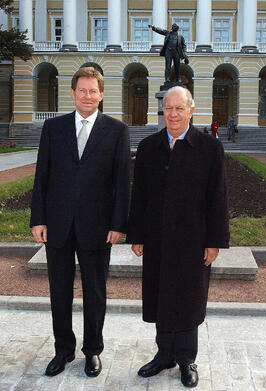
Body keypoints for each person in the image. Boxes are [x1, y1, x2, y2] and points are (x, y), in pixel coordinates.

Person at [30, 67, 130, 378]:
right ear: (72, 93)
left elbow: (122, 182)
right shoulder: (53, 128)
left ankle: (93, 351)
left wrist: (118, 224)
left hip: (98, 228)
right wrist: (38, 219)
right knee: (59, 290)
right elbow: (42, 177)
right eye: (82, 90)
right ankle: (63, 350)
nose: (87, 96)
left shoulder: (116, 130)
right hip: (57, 224)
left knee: (95, 291)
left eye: (93, 91)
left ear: (102, 94)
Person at [127, 86, 229, 388]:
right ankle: (164, 356)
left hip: (193, 240)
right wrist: (137, 234)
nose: (172, 114)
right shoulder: (148, 147)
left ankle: (186, 358)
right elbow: (140, 195)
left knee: (187, 298)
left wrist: (214, 241)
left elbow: (218, 198)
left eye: (179, 108)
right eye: (168, 109)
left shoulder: (209, 149)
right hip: (157, 238)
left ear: (191, 110)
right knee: (160, 295)